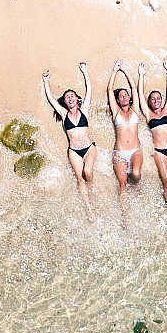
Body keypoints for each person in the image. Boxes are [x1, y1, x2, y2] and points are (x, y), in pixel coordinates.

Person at [42, 62, 96, 222]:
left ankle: (91, 189)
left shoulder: (84, 109)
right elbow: (51, 99)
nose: (70, 98)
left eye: (72, 96)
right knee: (80, 179)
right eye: (67, 97)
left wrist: (85, 71)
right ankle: (89, 209)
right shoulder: (63, 113)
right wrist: (46, 81)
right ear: (65, 102)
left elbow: (89, 90)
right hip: (74, 151)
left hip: (89, 148)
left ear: (77, 99)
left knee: (87, 173)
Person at [138, 57, 167, 223]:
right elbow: (140, 95)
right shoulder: (148, 114)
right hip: (159, 152)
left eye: (158, 98)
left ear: (161, 100)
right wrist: (141, 75)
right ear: (150, 103)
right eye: (153, 99)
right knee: (166, 183)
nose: (156, 101)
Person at [107, 59, 143, 228]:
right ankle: (125, 216)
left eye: (125, 94)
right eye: (120, 96)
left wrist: (125, 71)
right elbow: (109, 89)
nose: (124, 96)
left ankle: (136, 191)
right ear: (118, 100)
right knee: (122, 185)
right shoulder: (116, 111)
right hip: (119, 153)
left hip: (136, 150)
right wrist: (115, 71)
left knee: (135, 174)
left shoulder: (135, 109)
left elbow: (135, 88)